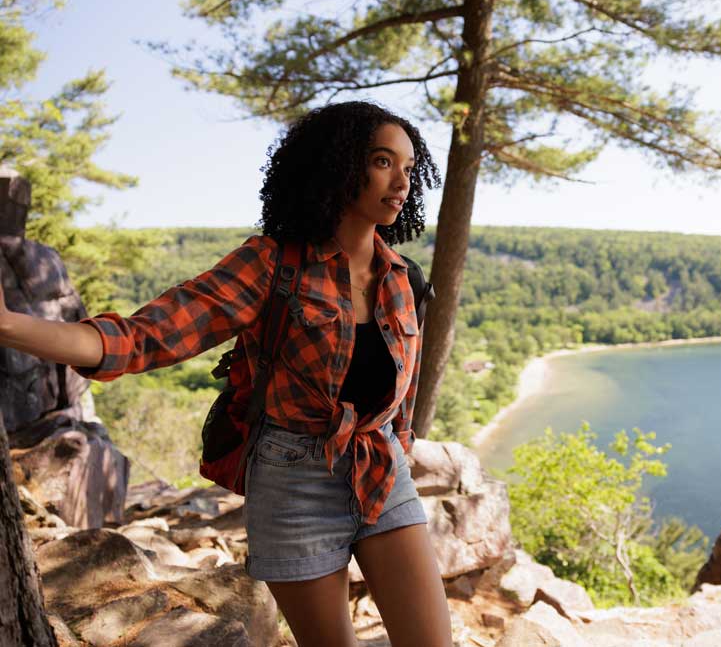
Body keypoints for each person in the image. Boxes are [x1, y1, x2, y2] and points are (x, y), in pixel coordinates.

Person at [0, 100, 453, 647]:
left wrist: (400, 447)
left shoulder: (405, 279)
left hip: (381, 470)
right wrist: (9, 325)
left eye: (408, 167)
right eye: (383, 161)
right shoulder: (272, 264)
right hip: (294, 483)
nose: (401, 180)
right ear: (338, 165)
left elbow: (400, 397)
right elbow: (147, 336)